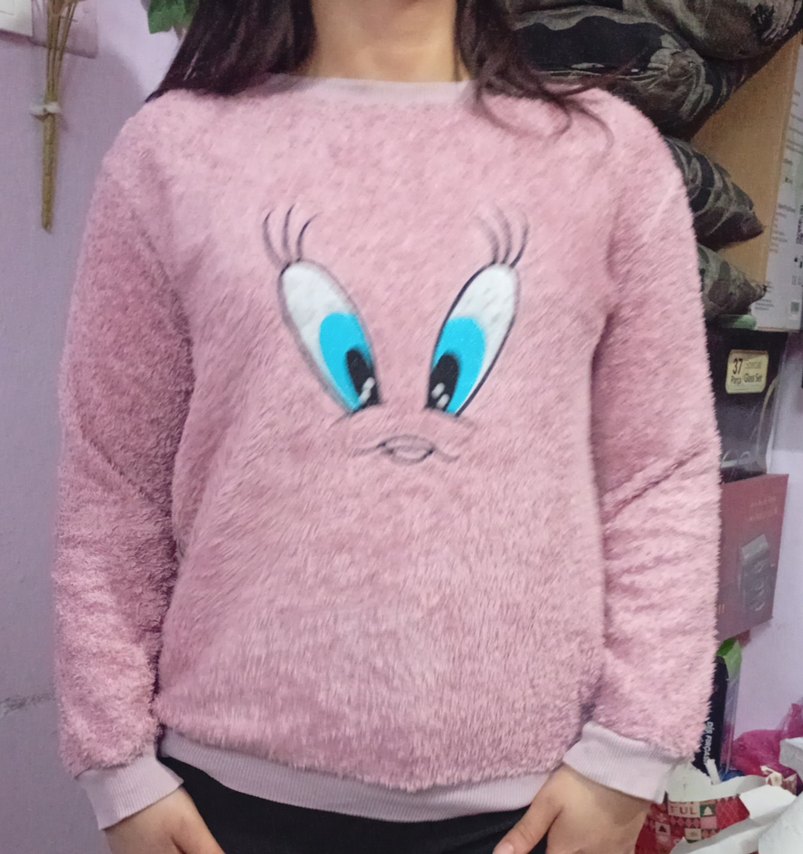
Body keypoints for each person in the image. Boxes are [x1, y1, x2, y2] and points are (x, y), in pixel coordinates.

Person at [52, 1, 722, 852]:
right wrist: (117, 770)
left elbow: (659, 476)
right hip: (222, 801)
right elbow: (114, 485)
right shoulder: (171, 152)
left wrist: (628, 756)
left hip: (532, 809)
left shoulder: (605, 157)